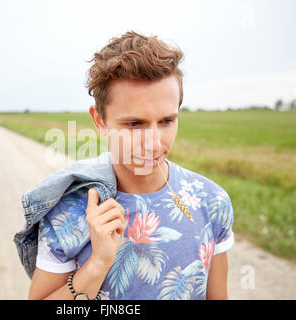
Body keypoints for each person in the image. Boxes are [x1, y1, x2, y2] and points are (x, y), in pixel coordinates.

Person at [28, 30, 234, 300]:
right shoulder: (68, 212)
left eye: (166, 121)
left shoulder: (212, 201)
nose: (153, 143)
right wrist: (97, 265)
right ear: (100, 120)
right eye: (134, 124)